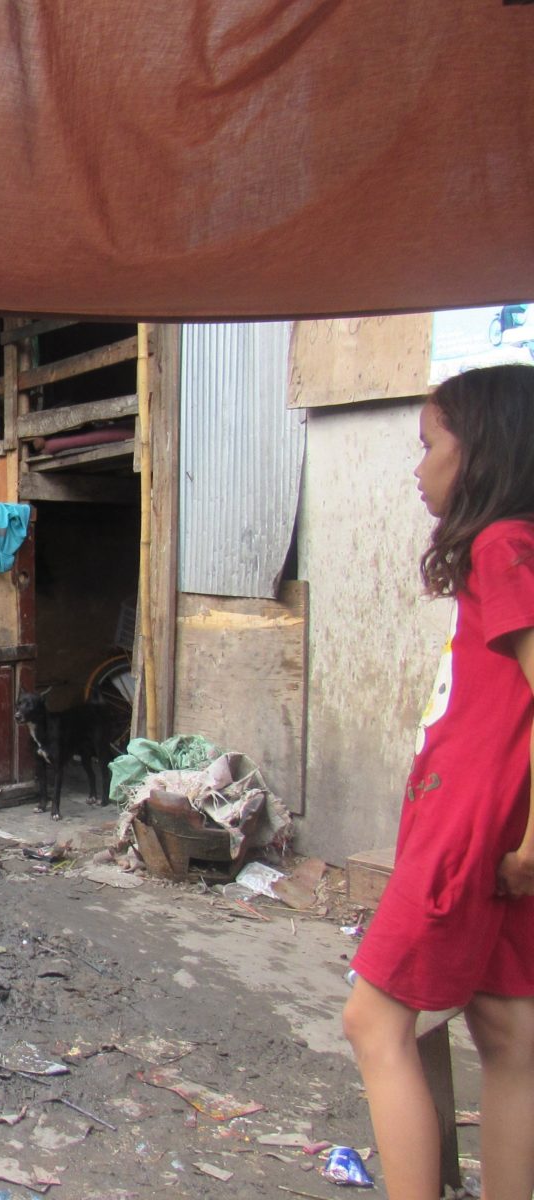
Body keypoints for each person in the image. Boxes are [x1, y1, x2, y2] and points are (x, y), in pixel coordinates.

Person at [342, 365, 534, 1200]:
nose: (418, 470)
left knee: (373, 1023)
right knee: (508, 1033)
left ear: (483, 451)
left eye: (429, 447)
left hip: (470, 830)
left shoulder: (503, 546)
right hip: (497, 828)